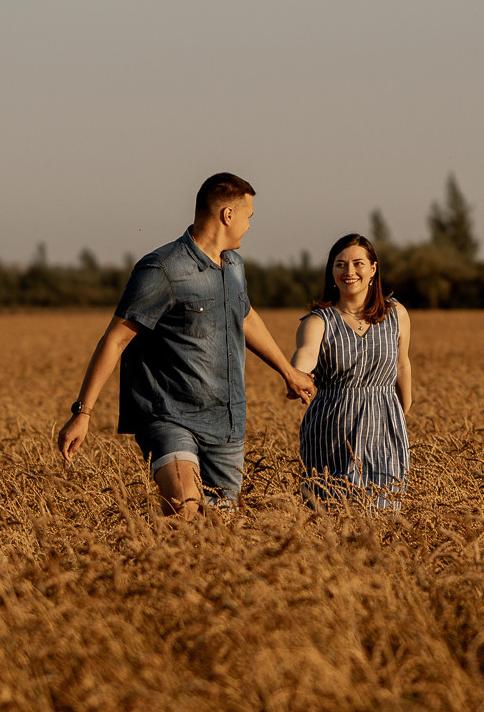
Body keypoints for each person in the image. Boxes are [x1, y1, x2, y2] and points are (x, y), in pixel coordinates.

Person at [56, 173, 315, 518]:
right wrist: (82, 413)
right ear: (227, 215)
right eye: (248, 217)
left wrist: (288, 372)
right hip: (169, 415)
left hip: (226, 419)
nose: (249, 226)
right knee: (186, 509)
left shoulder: (234, 265)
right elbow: (116, 338)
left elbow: (246, 317)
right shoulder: (162, 269)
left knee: (221, 529)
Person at [291, 233, 412, 509]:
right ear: (331, 271)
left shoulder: (396, 315)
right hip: (331, 430)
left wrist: (402, 412)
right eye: (340, 265)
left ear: (373, 269)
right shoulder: (317, 320)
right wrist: (297, 373)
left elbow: (402, 363)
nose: (349, 272)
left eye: (358, 263)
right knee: (330, 515)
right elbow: (306, 353)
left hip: (385, 429)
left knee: (384, 511)